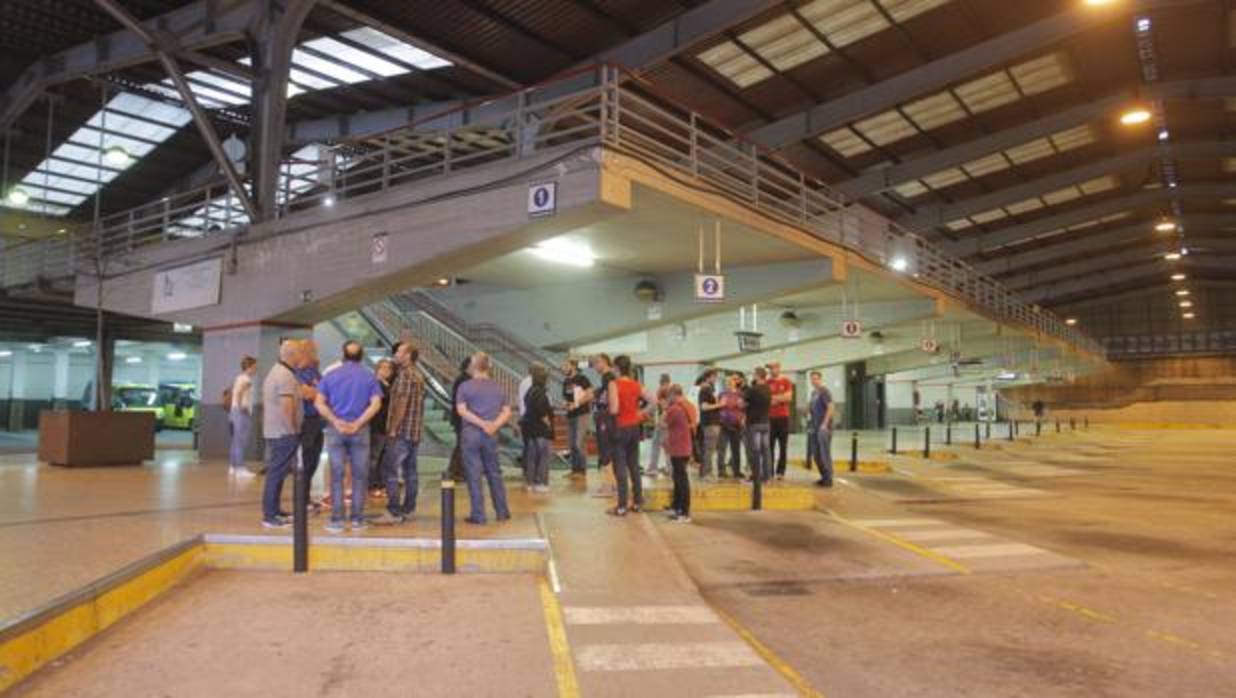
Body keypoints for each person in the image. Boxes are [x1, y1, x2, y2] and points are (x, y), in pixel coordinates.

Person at [314, 341, 384, 533]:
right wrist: (359, 422)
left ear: (343, 355)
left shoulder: (330, 375)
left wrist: (335, 421)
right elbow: (376, 404)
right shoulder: (369, 376)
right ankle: (357, 520)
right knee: (360, 476)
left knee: (337, 476)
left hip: (336, 430)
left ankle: (336, 520)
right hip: (360, 431)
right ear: (361, 356)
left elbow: (319, 402)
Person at [456, 352, 512, 524]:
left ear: (473, 366)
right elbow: (507, 412)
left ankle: (479, 515)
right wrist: (494, 425)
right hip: (491, 435)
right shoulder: (499, 387)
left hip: (471, 433)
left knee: (474, 474)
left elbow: (462, 410)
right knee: (494, 473)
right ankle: (502, 512)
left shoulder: (464, 387)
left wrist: (481, 424)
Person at [379, 342, 425, 524]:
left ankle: (394, 512)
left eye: (399, 352)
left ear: (407, 356)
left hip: (402, 432)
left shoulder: (405, 375)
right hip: (414, 432)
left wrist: (393, 428)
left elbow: (402, 404)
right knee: (410, 472)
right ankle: (409, 509)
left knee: (389, 469)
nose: (395, 354)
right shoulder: (418, 375)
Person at [260, 340, 304, 528]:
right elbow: (287, 407)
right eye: (299, 353)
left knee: (277, 473)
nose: (301, 357)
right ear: (291, 354)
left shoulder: (277, 371)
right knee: (276, 473)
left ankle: (275, 510)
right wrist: (293, 430)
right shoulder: (285, 375)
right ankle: (270, 516)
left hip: (277, 431)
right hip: (283, 432)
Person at [608, 355, 654, 516]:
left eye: (613, 368)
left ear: (617, 368)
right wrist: (640, 414)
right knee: (633, 465)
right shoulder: (636, 385)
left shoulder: (614, 384)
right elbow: (653, 401)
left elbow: (614, 409)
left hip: (620, 427)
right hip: (634, 427)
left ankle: (621, 506)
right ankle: (638, 502)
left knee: (620, 467)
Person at [294, 340, 324, 511]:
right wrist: (320, 393)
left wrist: (318, 392)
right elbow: (305, 393)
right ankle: (301, 500)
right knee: (306, 461)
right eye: (312, 350)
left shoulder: (315, 371)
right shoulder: (298, 372)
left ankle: (306, 497)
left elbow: (325, 391)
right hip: (307, 421)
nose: (315, 353)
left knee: (314, 460)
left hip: (318, 421)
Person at [521, 364, 554, 494]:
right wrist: (549, 424)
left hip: (530, 428)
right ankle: (541, 482)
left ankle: (530, 482)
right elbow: (542, 412)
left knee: (531, 456)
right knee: (543, 456)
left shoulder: (530, 391)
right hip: (541, 429)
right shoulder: (540, 393)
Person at [663, 384, 693, 523]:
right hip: (684, 446)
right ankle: (677, 507)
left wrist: (665, 408)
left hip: (678, 447)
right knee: (679, 478)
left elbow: (662, 423)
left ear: (674, 395)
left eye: (668, 396)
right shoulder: (687, 405)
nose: (667, 398)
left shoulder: (674, 409)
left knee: (681, 480)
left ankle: (684, 512)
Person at [589, 354, 616, 497]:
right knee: (608, 452)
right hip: (606, 416)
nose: (594, 366)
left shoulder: (609, 377)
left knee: (606, 451)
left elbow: (608, 398)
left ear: (604, 362)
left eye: (596, 363)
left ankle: (608, 486)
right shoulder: (606, 378)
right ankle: (612, 485)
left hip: (606, 417)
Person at [561, 359, 592, 478]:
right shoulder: (566, 381)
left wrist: (577, 404)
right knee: (572, 444)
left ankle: (582, 470)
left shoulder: (582, 379)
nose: (563, 368)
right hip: (571, 415)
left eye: (565, 365)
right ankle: (575, 469)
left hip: (582, 414)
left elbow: (590, 394)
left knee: (579, 443)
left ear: (573, 366)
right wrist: (565, 403)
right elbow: (567, 397)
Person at [369, 358, 395, 496]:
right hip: (376, 425)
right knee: (374, 457)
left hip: (385, 425)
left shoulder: (387, 384)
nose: (386, 370)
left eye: (389, 368)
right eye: (383, 367)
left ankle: (379, 482)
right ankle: (373, 485)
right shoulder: (375, 383)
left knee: (382, 457)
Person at [228, 356, 257, 475]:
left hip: (235, 411)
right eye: (255, 367)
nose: (256, 369)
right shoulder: (246, 380)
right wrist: (241, 407)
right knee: (241, 440)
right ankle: (240, 468)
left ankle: (233, 467)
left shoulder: (239, 378)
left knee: (236, 440)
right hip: (241, 412)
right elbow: (239, 393)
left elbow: (235, 392)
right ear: (249, 367)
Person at [807, 371, 836, 488]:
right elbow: (811, 408)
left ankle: (828, 479)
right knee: (816, 455)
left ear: (820, 379)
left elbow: (831, 407)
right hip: (814, 427)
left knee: (824, 454)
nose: (814, 381)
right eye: (812, 379)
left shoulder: (824, 392)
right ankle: (824, 477)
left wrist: (824, 424)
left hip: (823, 428)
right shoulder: (814, 393)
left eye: (816, 379)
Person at [744, 367, 773, 483]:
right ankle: (767, 476)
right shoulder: (768, 389)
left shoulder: (753, 389)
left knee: (754, 450)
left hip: (754, 424)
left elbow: (741, 403)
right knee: (766, 451)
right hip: (766, 423)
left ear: (757, 376)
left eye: (754, 374)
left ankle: (756, 476)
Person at [767, 362, 793, 479]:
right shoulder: (767, 382)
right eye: (770, 369)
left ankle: (780, 472)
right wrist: (780, 398)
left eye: (773, 368)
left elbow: (788, 398)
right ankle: (770, 471)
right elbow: (765, 399)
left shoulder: (786, 381)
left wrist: (773, 398)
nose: (771, 370)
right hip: (770, 418)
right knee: (769, 446)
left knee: (783, 446)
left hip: (783, 418)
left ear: (778, 368)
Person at [447, 357, 471, 482]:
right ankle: (456, 471)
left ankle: (457, 471)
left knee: (462, 445)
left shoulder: (464, 379)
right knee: (462, 445)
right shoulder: (464, 380)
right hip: (462, 418)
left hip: (461, 418)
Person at [718, 373, 746, 479]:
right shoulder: (722, 394)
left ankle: (736, 471)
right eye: (727, 382)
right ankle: (721, 470)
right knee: (722, 449)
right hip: (724, 424)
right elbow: (719, 407)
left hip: (736, 425)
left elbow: (744, 408)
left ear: (735, 383)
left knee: (736, 449)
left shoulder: (740, 394)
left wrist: (743, 417)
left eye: (731, 382)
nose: (729, 384)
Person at [696, 370, 721, 480]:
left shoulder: (709, 389)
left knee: (709, 448)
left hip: (711, 422)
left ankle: (705, 472)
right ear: (709, 377)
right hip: (710, 423)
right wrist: (720, 404)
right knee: (709, 449)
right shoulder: (706, 389)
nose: (715, 379)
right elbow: (704, 407)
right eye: (714, 377)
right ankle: (707, 473)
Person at [647, 374, 672, 477]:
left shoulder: (662, 391)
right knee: (665, 445)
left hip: (663, 422)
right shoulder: (670, 391)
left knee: (659, 445)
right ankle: (668, 468)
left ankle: (655, 468)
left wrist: (659, 420)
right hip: (665, 422)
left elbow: (664, 406)